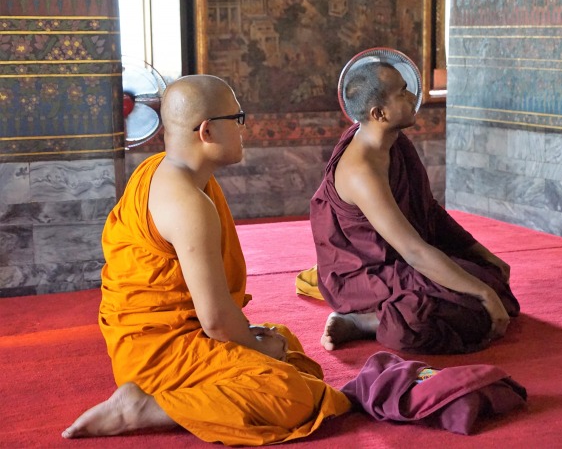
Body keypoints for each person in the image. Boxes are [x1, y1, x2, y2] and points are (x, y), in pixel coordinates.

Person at [62, 75, 351, 446]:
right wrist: (256, 347)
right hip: (159, 356)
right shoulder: (188, 204)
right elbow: (215, 321)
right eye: (239, 118)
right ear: (208, 131)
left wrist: (257, 342)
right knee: (292, 396)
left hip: (171, 333)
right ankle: (142, 409)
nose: (245, 129)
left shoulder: (160, 170)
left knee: (284, 341)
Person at [310, 61, 520, 354]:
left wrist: (482, 254)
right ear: (378, 113)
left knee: (491, 279)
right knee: (460, 308)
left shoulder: (395, 142)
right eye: (403, 93)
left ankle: (387, 313)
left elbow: (429, 210)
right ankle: (363, 321)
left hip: (402, 261)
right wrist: (482, 292)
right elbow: (413, 251)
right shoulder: (362, 170)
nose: (413, 98)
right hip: (364, 275)